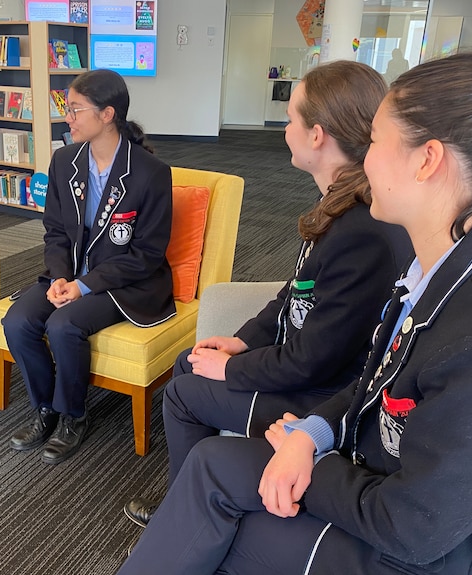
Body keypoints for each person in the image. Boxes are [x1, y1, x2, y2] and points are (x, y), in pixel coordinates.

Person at [118, 51, 472, 574]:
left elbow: (413, 528)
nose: (365, 159)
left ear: (427, 160)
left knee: (213, 526)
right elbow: (378, 379)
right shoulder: (450, 270)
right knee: (211, 468)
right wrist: (312, 435)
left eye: (378, 141)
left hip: (435, 553)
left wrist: (312, 462)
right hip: (391, 484)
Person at [124, 60, 411, 527]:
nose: (284, 127)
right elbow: (293, 292)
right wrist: (240, 341)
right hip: (312, 367)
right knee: (188, 362)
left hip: (329, 393)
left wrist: (235, 368)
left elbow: (316, 360)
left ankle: (183, 515)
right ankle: (197, 494)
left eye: (291, 117)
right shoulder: (339, 203)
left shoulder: (361, 230)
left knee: (181, 394)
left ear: (317, 135)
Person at [2, 69, 174, 465]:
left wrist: (85, 286)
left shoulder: (150, 173)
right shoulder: (65, 161)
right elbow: (56, 231)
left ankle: (73, 415)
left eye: (75, 108)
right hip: (72, 273)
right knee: (18, 321)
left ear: (107, 114)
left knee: (64, 325)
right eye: (68, 107)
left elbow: (147, 254)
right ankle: (46, 408)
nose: (68, 116)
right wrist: (61, 275)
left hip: (127, 280)